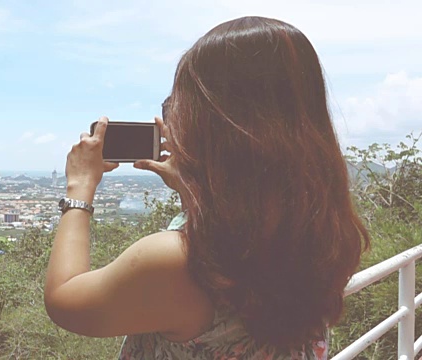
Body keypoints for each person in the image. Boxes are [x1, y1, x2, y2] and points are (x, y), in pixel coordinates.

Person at [44, 16, 370, 359]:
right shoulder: (323, 230)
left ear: (207, 125)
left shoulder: (179, 261)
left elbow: (65, 300)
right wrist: (192, 189)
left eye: (177, 107)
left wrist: (80, 185)